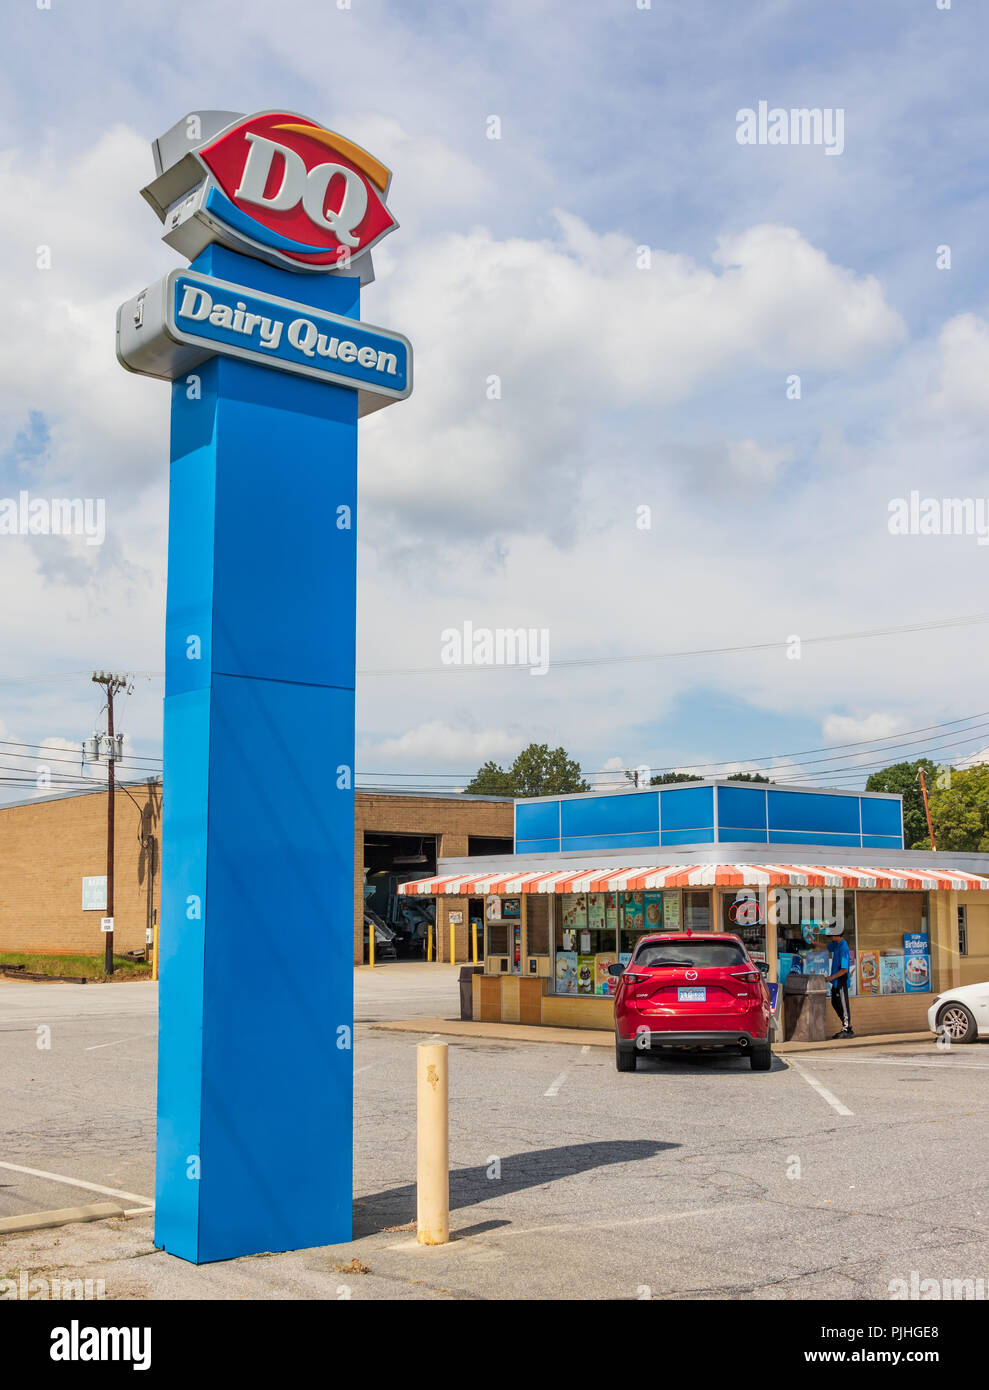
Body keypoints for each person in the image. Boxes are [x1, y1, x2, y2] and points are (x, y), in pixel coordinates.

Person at [825, 926, 854, 1038]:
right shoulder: (836, 944)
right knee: (835, 1002)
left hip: (841, 980)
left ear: (837, 935)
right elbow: (826, 947)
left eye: (832, 935)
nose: (831, 937)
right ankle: (846, 1025)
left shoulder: (843, 948)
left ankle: (847, 1029)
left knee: (843, 1004)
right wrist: (812, 942)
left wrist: (830, 978)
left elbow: (844, 969)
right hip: (836, 981)